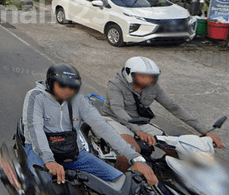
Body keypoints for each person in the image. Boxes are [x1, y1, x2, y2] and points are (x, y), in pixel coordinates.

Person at [23, 63, 158, 186]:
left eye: (72, 87)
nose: (68, 91)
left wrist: (135, 158)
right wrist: (49, 160)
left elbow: (103, 127)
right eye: (62, 86)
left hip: (72, 150)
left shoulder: (79, 100)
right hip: (40, 150)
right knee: (41, 186)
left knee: (119, 181)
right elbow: (35, 129)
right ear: (51, 83)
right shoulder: (36, 97)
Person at [100, 57, 223, 171]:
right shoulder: (115, 84)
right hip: (114, 119)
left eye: (151, 76)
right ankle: (119, 180)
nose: (149, 80)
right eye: (143, 76)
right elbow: (118, 109)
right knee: (130, 151)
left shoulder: (153, 87)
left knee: (174, 148)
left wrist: (205, 131)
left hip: (138, 121)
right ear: (129, 74)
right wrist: (138, 130)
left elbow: (173, 107)